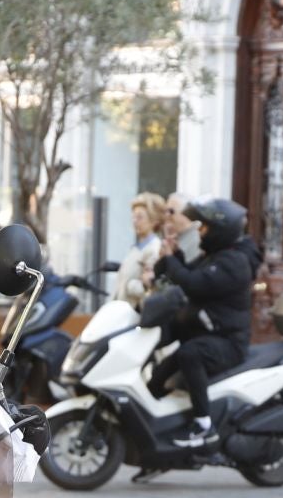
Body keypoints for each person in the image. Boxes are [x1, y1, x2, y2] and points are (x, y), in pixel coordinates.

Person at [148, 198, 260, 450]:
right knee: (161, 372)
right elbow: (185, 273)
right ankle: (156, 420)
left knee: (190, 355)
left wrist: (173, 261)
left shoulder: (233, 262)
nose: (200, 232)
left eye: (205, 227)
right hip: (206, 333)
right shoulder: (215, 257)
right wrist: (172, 254)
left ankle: (203, 425)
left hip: (228, 342)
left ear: (221, 230)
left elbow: (194, 283)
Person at [111, 191, 165, 307]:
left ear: (153, 221)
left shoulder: (154, 249)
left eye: (140, 217)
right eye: (134, 217)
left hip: (135, 315)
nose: (135, 221)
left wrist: (129, 286)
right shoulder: (136, 248)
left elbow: (150, 287)